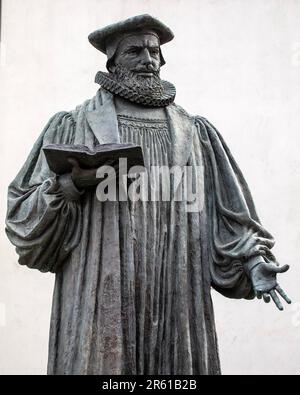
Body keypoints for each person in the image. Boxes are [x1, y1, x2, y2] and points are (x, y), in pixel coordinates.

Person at [6, 14, 291, 375]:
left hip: (175, 288)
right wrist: (71, 184)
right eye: (134, 51)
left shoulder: (195, 133)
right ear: (112, 62)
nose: (148, 60)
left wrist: (252, 262)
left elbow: (229, 214)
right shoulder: (73, 126)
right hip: (102, 287)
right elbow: (22, 214)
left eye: (154, 51)